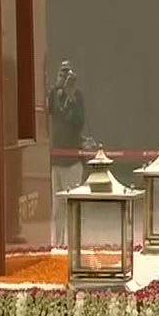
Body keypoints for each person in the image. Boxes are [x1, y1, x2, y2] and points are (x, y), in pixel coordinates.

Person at [48, 60, 86, 248]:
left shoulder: (77, 96)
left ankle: (73, 244)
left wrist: (71, 97)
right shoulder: (54, 95)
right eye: (62, 75)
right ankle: (58, 243)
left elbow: (79, 121)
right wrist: (57, 87)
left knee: (72, 206)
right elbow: (46, 110)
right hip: (57, 161)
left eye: (68, 76)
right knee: (57, 207)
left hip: (72, 161)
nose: (66, 79)